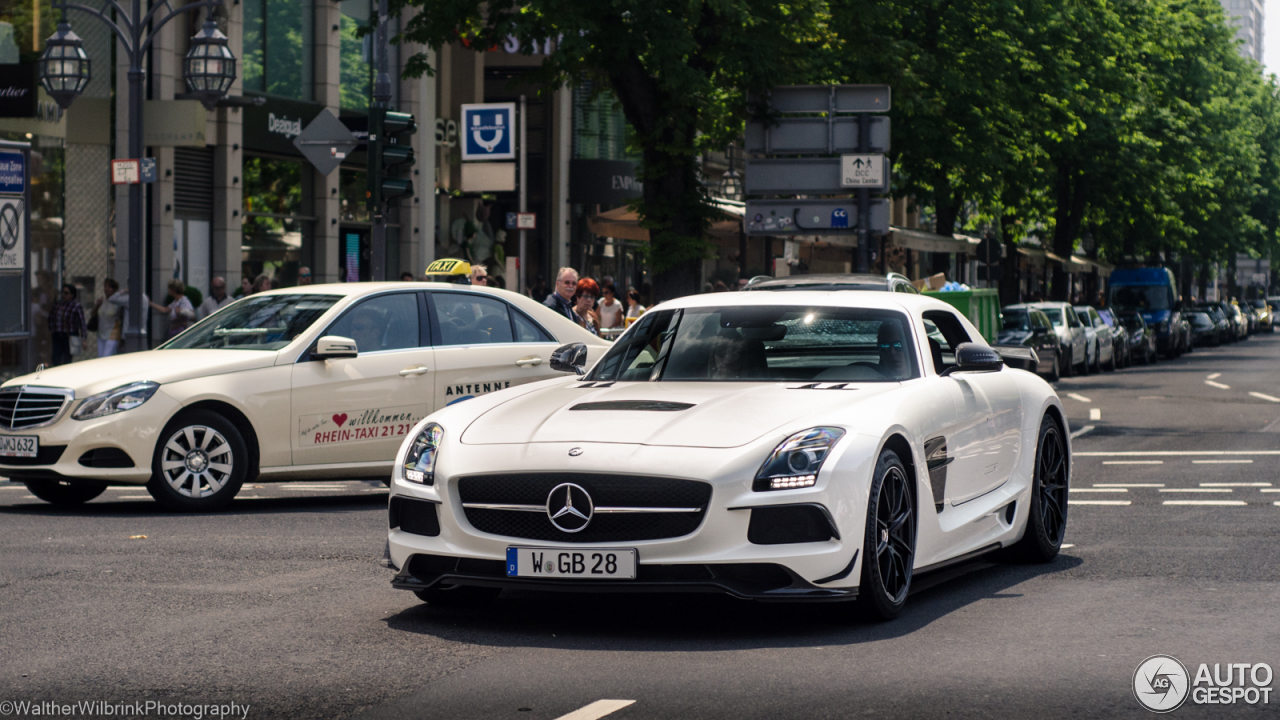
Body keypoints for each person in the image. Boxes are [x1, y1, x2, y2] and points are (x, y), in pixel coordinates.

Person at [48, 283, 87, 366]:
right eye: (62, 292)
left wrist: (84, 338)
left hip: (68, 336)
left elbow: (82, 322)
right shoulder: (58, 305)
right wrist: (51, 330)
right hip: (57, 335)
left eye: (66, 293)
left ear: (72, 295)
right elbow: (51, 318)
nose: (63, 295)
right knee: (55, 358)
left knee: (66, 359)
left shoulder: (76, 306)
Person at [95, 278, 124, 357]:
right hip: (101, 333)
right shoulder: (102, 301)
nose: (106, 289)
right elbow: (94, 314)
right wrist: (97, 305)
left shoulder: (118, 302)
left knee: (106, 356)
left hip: (112, 334)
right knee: (100, 357)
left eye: (109, 287)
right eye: (105, 287)